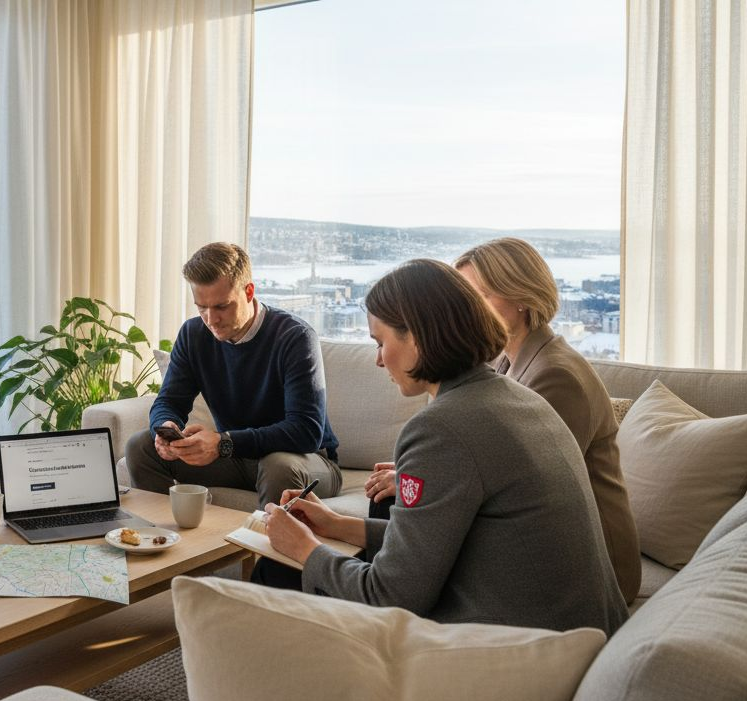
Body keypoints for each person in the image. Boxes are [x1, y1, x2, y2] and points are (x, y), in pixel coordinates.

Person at [255, 259, 627, 635]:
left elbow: (389, 595)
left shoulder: (440, 429)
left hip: (519, 646)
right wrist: (337, 524)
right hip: (573, 632)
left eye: (381, 342)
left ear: (417, 337)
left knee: (277, 575)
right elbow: (436, 540)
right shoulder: (519, 398)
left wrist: (305, 548)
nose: (378, 359)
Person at [454, 237, 640, 604]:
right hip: (550, 537)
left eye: (481, 295)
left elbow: (525, 486)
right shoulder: (506, 359)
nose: (466, 309)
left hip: (599, 567)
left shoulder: (556, 376)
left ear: (521, 297)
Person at [125, 241, 341, 508]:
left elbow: (305, 432)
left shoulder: (295, 337)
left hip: (306, 460)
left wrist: (223, 443)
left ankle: (266, 538)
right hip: (238, 457)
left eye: (221, 306)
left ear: (249, 291)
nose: (210, 319)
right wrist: (166, 427)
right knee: (140, 447)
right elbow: (169, 401)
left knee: (277, 465)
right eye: (201, 307)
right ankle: (163, 532)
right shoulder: (193, 335)